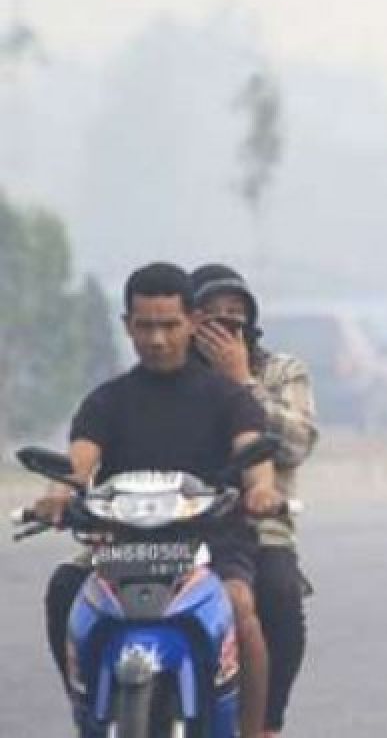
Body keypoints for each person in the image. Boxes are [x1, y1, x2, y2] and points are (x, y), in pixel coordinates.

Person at [36, 262, 281, 738]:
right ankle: (87, 709)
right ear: (127, 324)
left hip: (211, 542)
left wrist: (262, 488)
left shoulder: (228, 397)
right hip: (122, 543)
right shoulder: (106, 401)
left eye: (169, 325)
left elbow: (254, 450)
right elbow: (79, 462)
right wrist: (57, 494)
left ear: (191, 320)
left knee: (240, 608)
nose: (157, 339)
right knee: (65, 592)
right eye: (145, 326)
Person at [191, 263, 319, 738]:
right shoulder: (169, 375)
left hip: (257, 520)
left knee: (280, 594)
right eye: (211, 317)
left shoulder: (281, 371)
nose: (224, 329)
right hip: (172, 519)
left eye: (236, 317)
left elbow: (298, 443)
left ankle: (266, 723)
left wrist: (241, 381)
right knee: (72, 585)